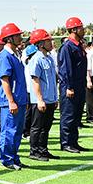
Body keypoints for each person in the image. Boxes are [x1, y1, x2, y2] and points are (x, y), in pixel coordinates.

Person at [0, 23, 28, 170]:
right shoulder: (5, 56)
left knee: (17, 131)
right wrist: (10, 101)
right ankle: (7, 159)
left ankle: (14, 157)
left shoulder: (15, 54)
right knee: (9, 131)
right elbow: (5, 80)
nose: (20, 37)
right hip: (11, 101)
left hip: (19, 99)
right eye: (17, 35)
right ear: (9, 38)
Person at [57, 17, 88, 153]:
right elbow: (65, 69)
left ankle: (73, 142)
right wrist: (69, 87)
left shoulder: (78, 45)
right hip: (70, 86)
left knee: (76, 115)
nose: (83, 30)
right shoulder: (67, 47)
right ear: (74, 29)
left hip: (80, 85)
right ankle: (66, 143)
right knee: (68, 115)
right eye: (81, 28)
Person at [27, 29, 58, 161]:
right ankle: (34, 151)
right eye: (47, 41)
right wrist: (40, 99)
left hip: (50, 98)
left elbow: (53, 80)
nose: (51, 43)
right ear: (40, 44)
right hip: (40, 100)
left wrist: (55, 98)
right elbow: (36, 80)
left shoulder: (49, 58)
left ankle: (43, 150)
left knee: (46, 127)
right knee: (37, 127)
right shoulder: (36, 59)